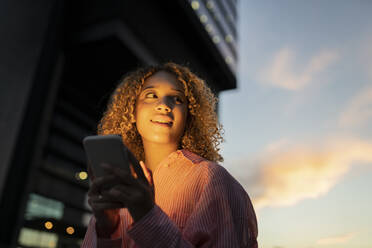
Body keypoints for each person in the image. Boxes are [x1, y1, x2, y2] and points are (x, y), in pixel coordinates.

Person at [81, 62, 258, 247]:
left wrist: (146, 215)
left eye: (177, 99)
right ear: (132, 111)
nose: (164, 105)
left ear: (189, 117)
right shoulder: (118, 190)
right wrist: (107, 231)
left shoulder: (213, 180)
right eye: (151, 95)